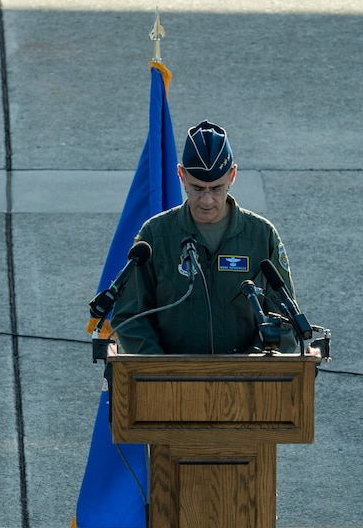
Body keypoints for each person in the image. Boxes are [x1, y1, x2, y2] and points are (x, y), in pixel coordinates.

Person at [110, 120, 301, 355]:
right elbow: (130, 316)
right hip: (169, 383)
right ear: (181, 175)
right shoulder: (156, 235)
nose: (207, 200)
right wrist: (160, 371)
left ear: (232, 176)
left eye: (217, 188)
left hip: (246, 382)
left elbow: (284, 318)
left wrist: (253, 366)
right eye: (197, 188)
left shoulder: (261, 236)